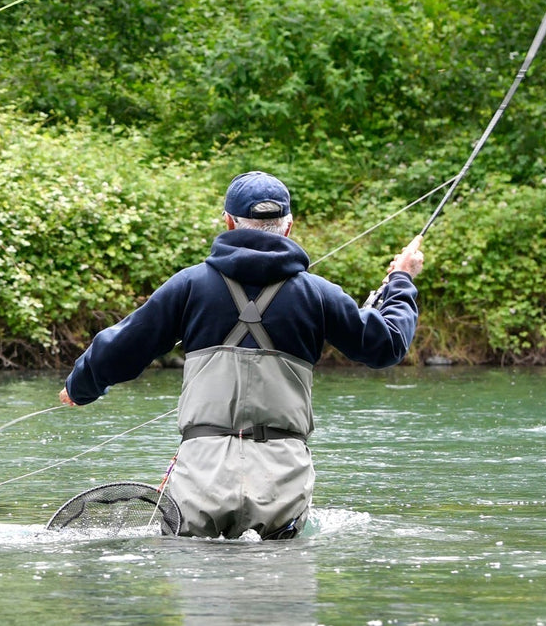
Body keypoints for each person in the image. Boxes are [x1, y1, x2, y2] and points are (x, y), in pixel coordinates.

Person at [58, 170, 424, 540]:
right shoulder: (318, 293)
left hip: (203, 472)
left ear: (229, 223)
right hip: (282, 472)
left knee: (202, 582)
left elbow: (121, 347)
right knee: (279, 587)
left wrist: (81, 386)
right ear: (289, 227)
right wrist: (402, 281)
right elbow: (387, 344)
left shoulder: (189, 285)